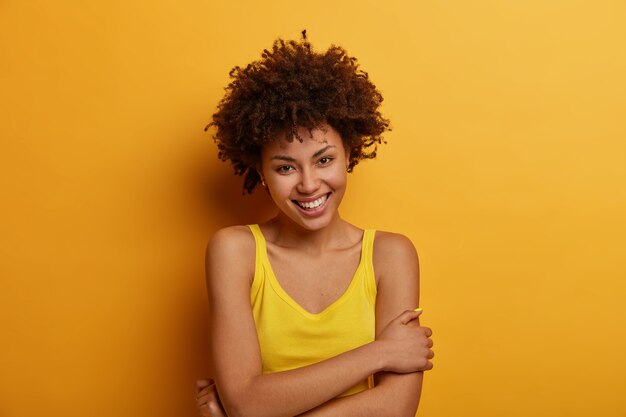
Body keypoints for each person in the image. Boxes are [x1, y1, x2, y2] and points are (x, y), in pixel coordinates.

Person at [197, 31, 434, 417]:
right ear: (261, 172)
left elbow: (396, 409)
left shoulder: (390, 255)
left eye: (324, 160)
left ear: (350, 154)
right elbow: (247, 404)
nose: (308, 184)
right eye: (286, 167)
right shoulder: (235, 252)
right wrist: (382, 352)